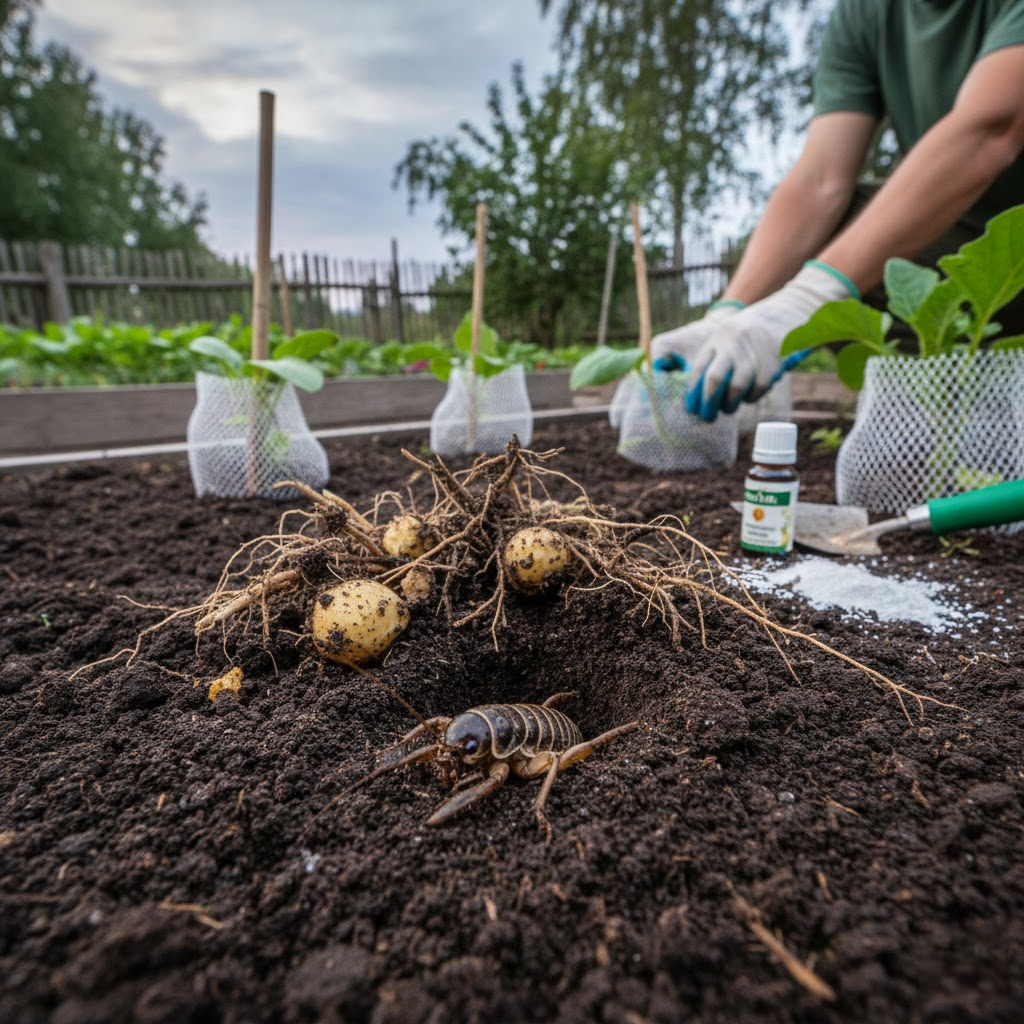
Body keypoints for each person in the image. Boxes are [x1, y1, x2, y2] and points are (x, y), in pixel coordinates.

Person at [651, 0, 1024, 422]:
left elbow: (993, 127)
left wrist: (810, 297)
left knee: (834, 270)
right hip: (965, 250)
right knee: (834, 238)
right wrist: (730, 310)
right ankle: (948, 420)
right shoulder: (865, 13)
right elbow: (820, 179)